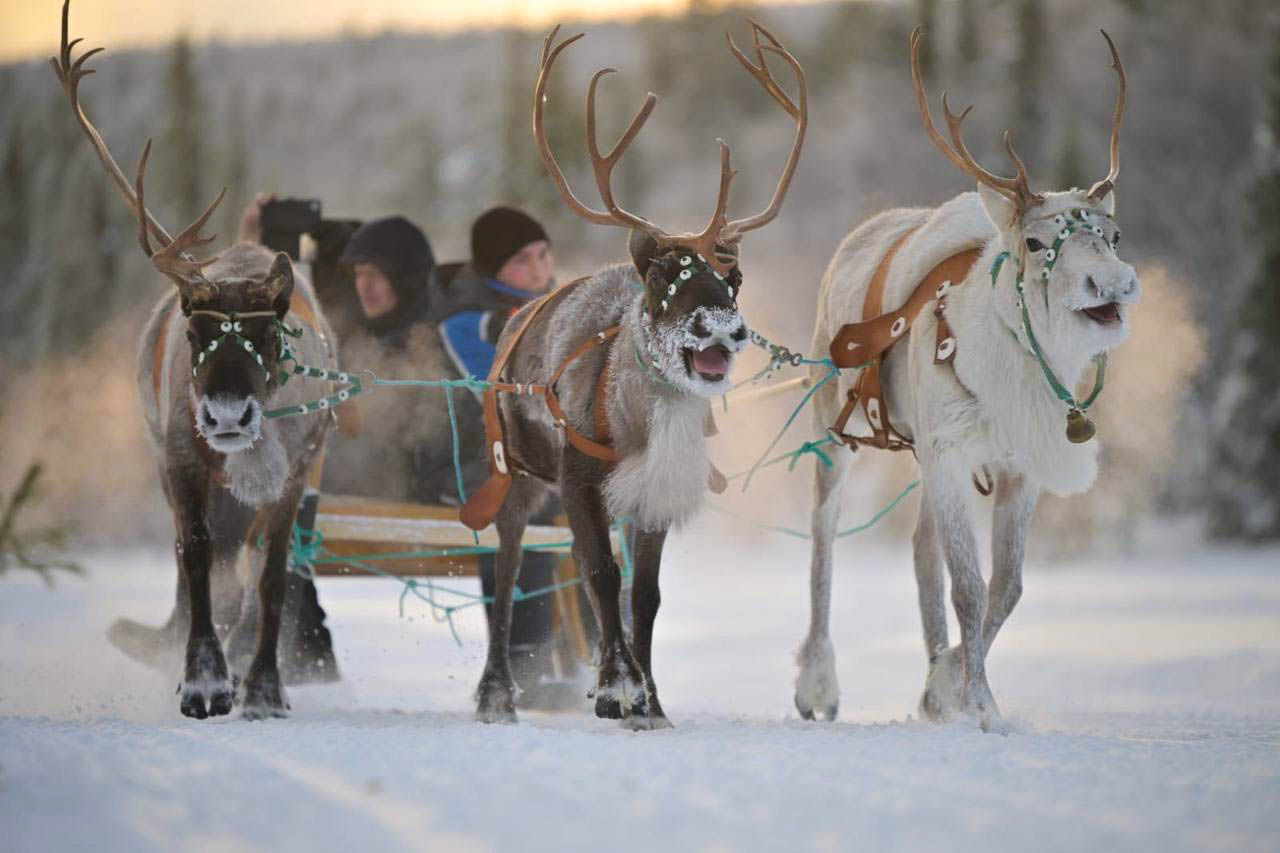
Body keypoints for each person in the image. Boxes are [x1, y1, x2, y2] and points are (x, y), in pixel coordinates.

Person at [431, 206, 581, 708]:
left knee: (605, 505)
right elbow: (495, 397)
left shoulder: (562, 309)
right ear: (494, 267)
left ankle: (603, 656)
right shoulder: (466, 321)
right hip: (471, 456)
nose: (539, 268)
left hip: (548, 446)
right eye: (522, 259)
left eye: (543, 254)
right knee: (528, 505)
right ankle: (526, 664)